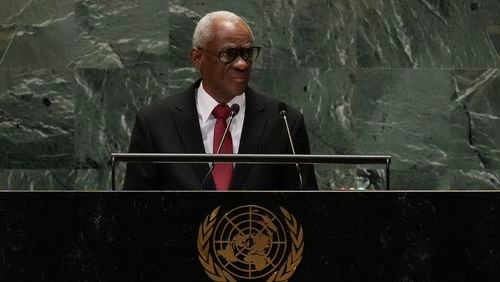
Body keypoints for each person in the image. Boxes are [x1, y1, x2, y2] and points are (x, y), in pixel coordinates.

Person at [124, 11, 318, 190]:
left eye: (247, 53)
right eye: (229, 54)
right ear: (197, 57)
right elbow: (135, 208)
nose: (242, 64)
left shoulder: (283, 122)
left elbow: (304, 206)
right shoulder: (155, 122)